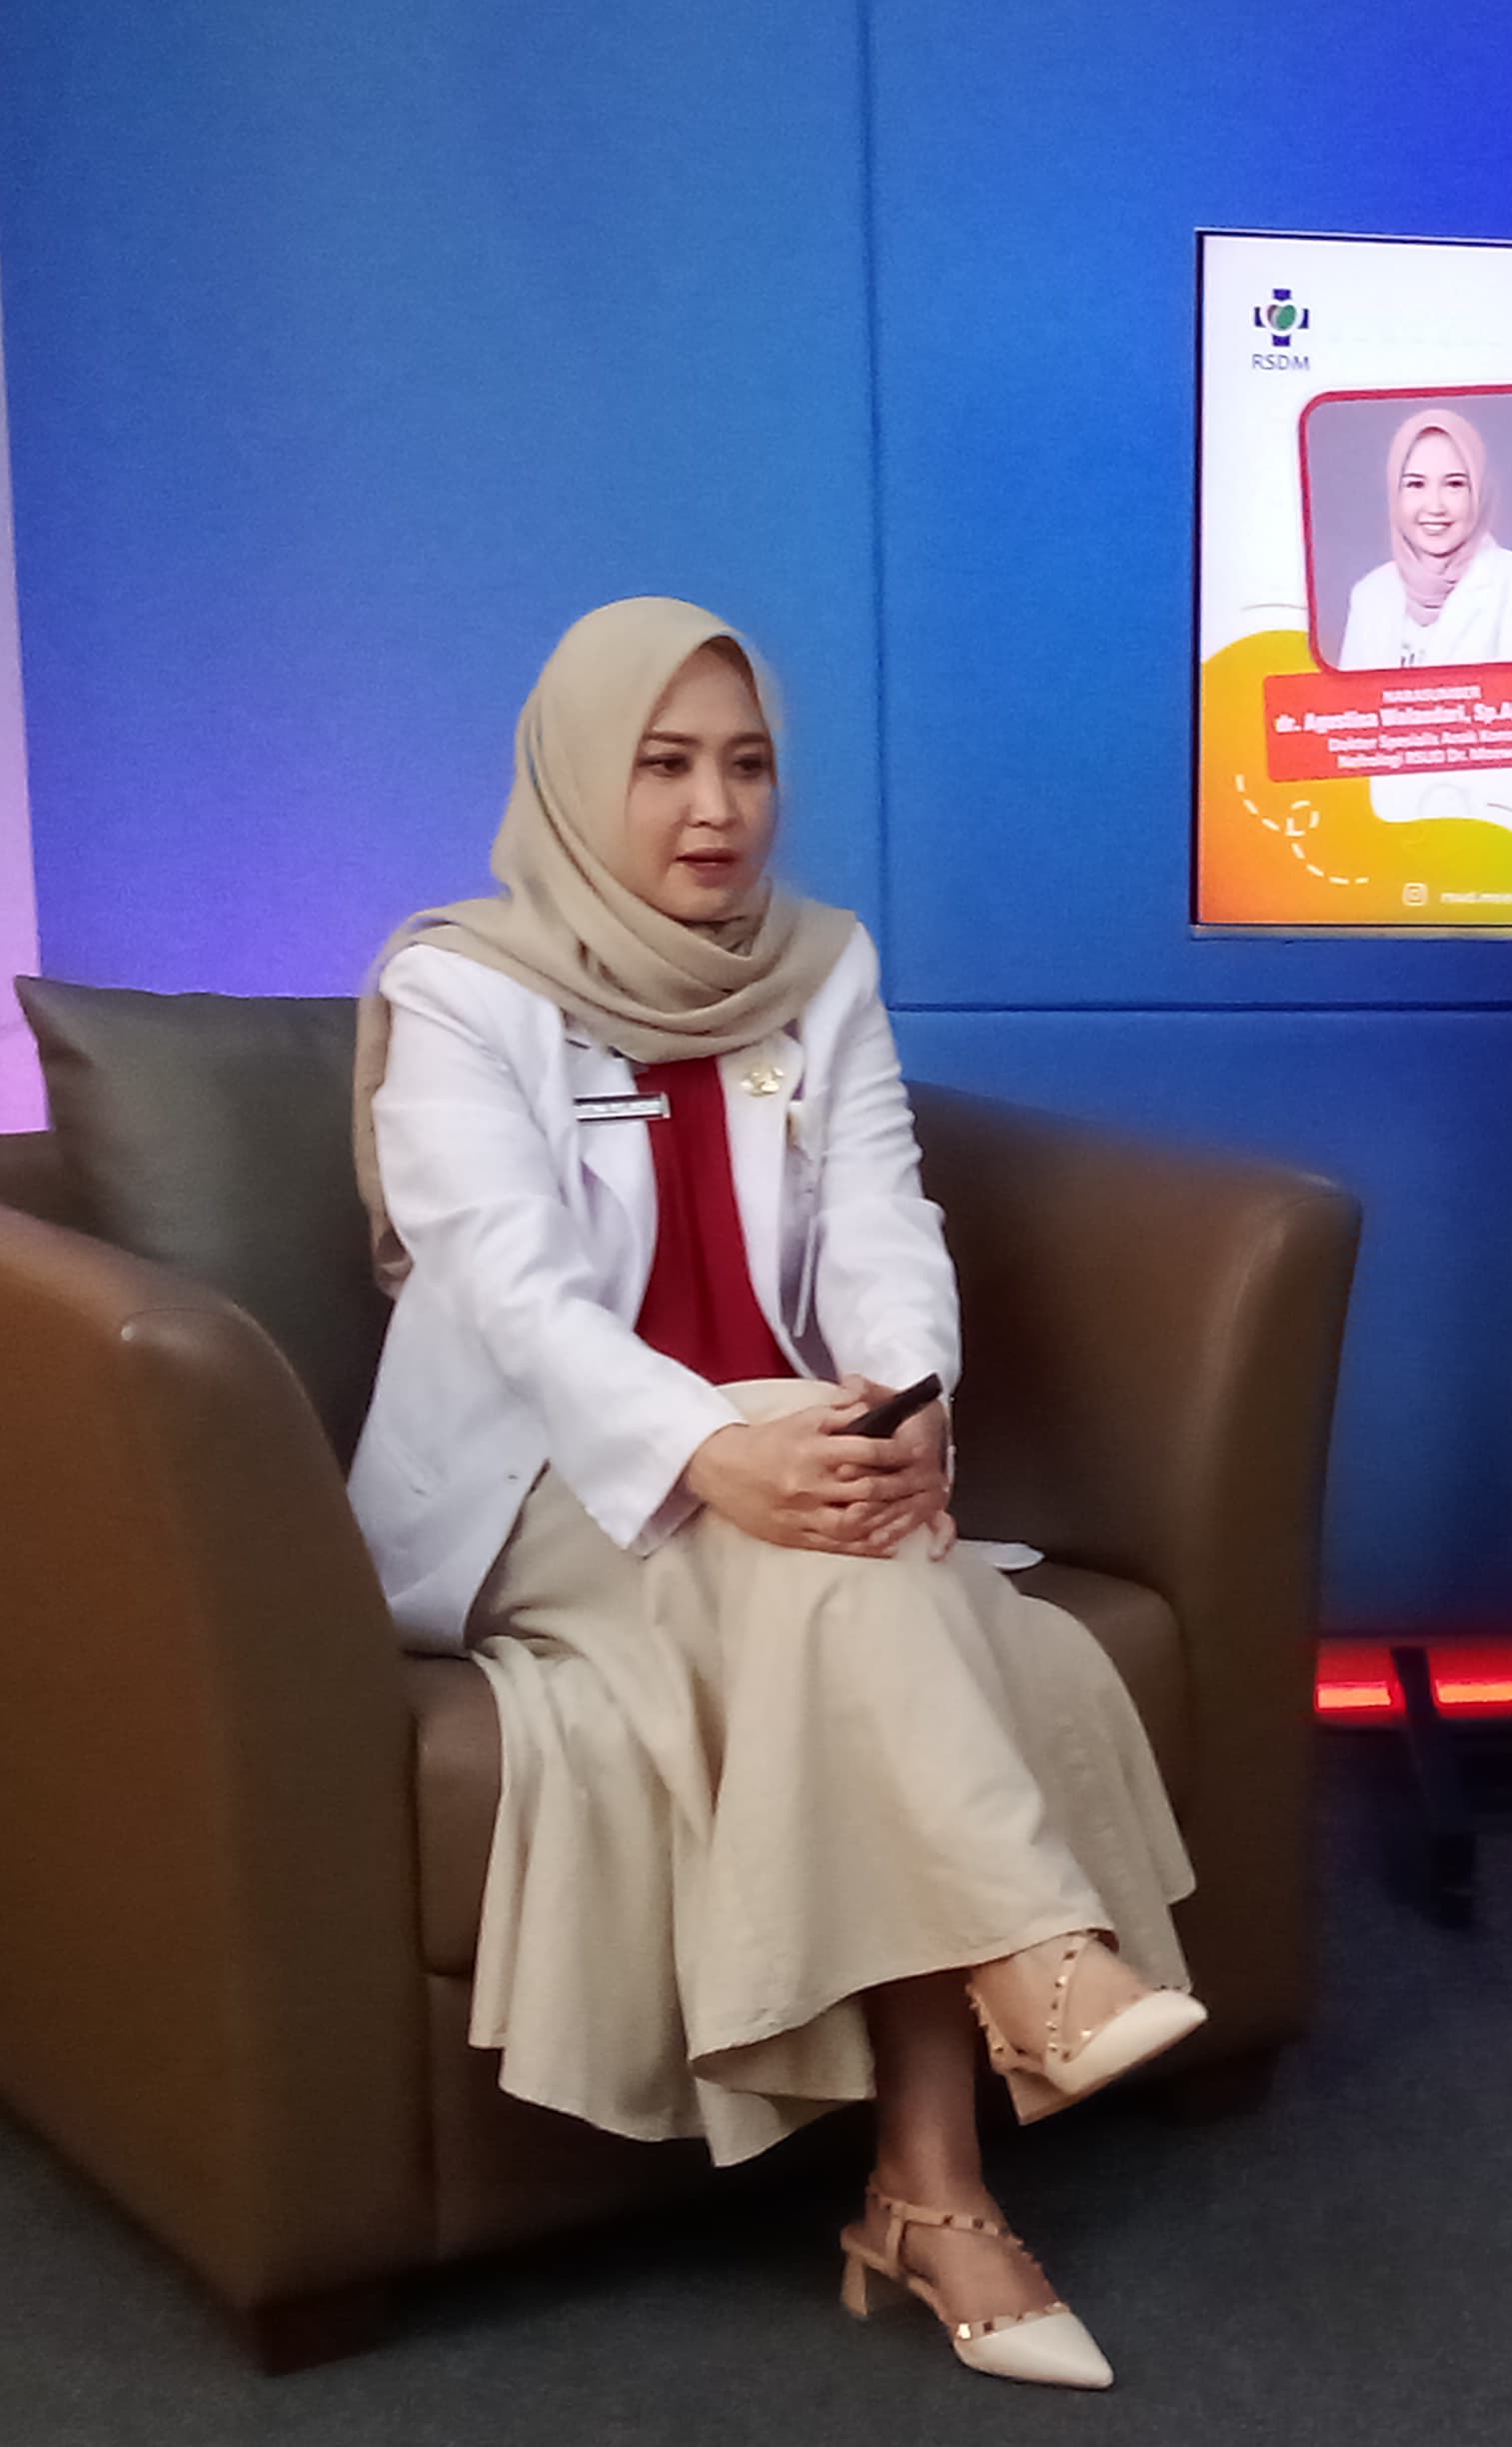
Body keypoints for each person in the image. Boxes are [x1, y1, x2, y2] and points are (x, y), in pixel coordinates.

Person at [349, 597, 1204, 2389]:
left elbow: (887, 1213)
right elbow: (510, 1291)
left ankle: (932, 2188)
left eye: (746, 765)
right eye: (663, 763)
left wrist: (908, 1406)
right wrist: (713, 1448)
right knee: (858, 1572)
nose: (713, 807)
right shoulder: (459, 989)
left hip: (793, 1461)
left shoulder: (819, 964)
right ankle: (1021, 1999)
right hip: (545, 1484)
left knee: (842, 1568)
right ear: (579, 775)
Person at [1332, 404, 1512, 669]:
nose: (1435, 506)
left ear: (1479, 492)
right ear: (1395, 494)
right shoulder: (1370, 593)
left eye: (1454, 484)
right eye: (1415, 484)